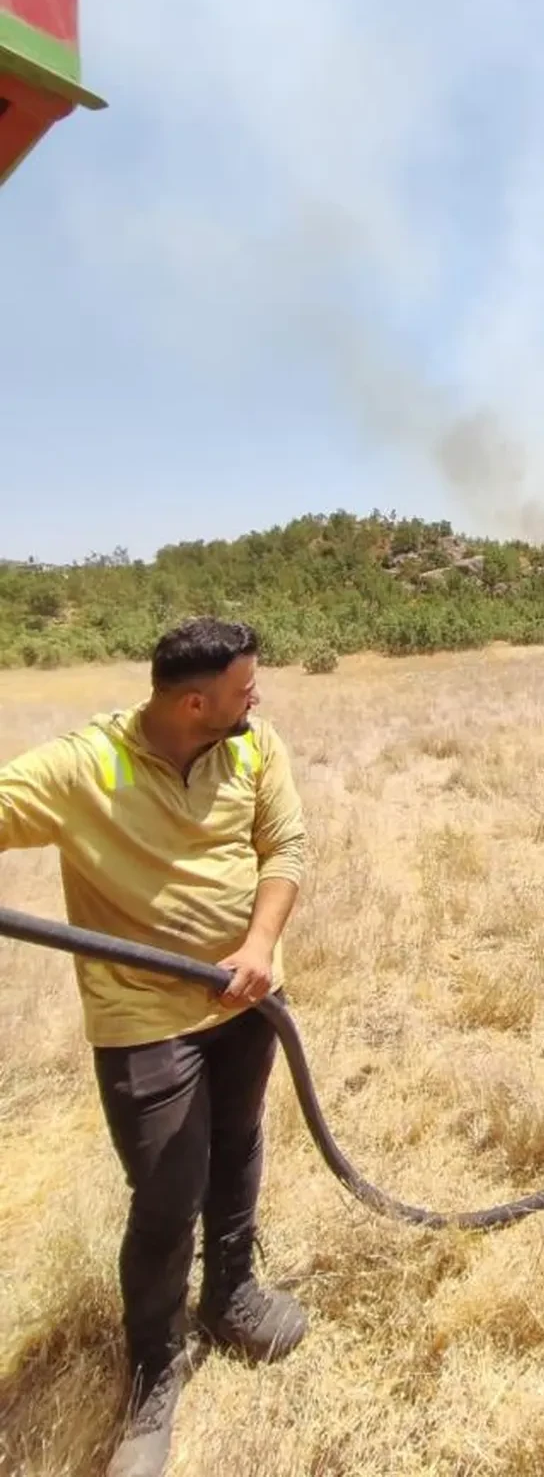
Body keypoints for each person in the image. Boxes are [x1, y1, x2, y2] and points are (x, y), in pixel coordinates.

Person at [0, 618, 310, 1477]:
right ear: (194, 703)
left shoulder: (253, 747)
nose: (258, 697)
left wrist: (258, 947)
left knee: (237, 1146)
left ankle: (231, 1296)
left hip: (249, 1000)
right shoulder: (87, 766)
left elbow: (285, 848)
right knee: (170, 1192)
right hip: (143, 1016)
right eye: (245, 688)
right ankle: (153, 1371)